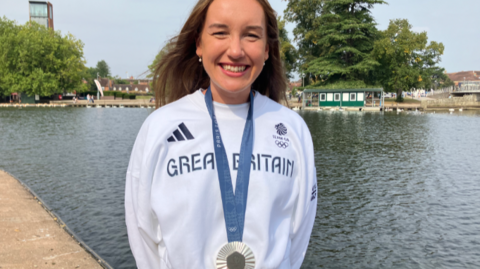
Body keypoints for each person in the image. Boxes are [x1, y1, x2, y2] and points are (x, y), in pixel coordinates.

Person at [125, 0, 317, 268]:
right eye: (220, 32)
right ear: (199, 43)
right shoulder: (160, 127)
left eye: (251, 35)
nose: (236, 50)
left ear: (266, 50)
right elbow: (142, 231)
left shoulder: (292, 129)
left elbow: (298, 235)